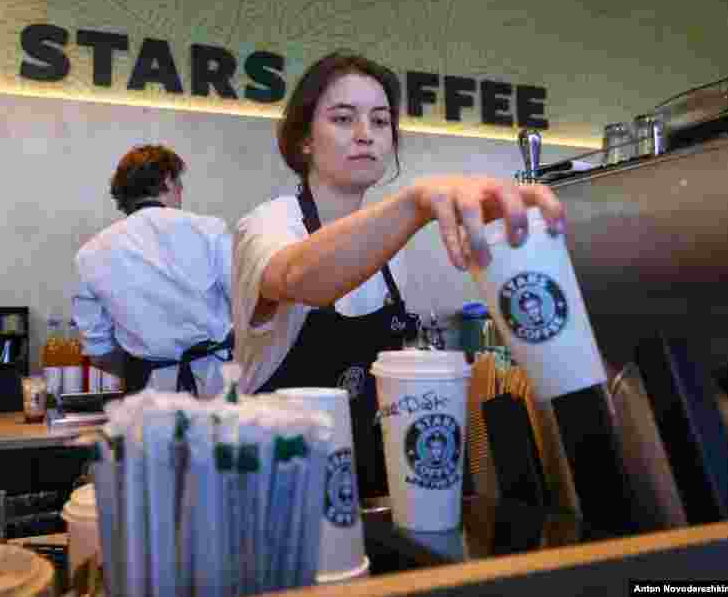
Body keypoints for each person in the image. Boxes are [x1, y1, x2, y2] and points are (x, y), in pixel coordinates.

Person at [232, 51, 566, 497]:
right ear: (305, 140)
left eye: (380, 121)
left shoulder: (390, 252)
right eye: (343, 118)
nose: (365, 135)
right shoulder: (269, 224)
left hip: (369, 488)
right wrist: (416, 203)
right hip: (278, 489)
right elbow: (301, 278)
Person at [73, 144, 234, 397]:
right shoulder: (210, 230)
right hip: (217, 385)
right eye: (179, 182)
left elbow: (99, 352)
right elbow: (247, 308)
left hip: (146, 394)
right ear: (168, 180)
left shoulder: (91, 253)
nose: (181, 190)